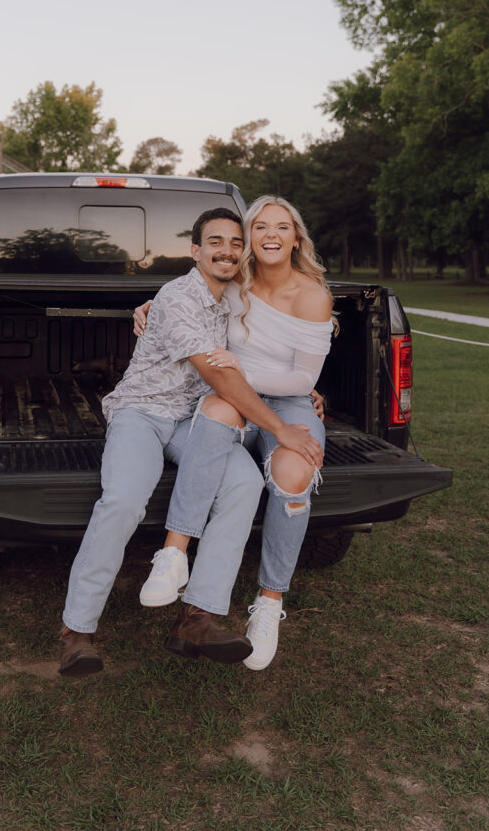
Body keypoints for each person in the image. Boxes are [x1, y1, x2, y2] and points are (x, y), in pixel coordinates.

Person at [59, 207, 324, 678]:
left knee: (244, 484)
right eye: (215, 242)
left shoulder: (237, 300)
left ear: (242, 253)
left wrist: (303, 388)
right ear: (195, 251)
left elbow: (261, 352)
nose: (226, 250)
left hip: (196, 420)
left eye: (234, 242)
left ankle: (197, 618)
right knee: (122, 501)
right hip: (143, 413)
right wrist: (281, 429)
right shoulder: (178, 296)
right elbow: (219, 374)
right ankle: (77, 631)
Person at [135, 195, 334, 672]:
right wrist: (149, 307)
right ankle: (173, 554)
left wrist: (239, 373)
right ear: (249, 238)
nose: (270, 235)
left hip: (287, 400)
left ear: (295, 238)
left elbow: (303, 383)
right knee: (218, 404)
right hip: (231, 395)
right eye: (260, 226)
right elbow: (186, 297)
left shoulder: (311, 295)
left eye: (281, 227)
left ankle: (268, 604)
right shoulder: (233, 281)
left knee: (292, 473)